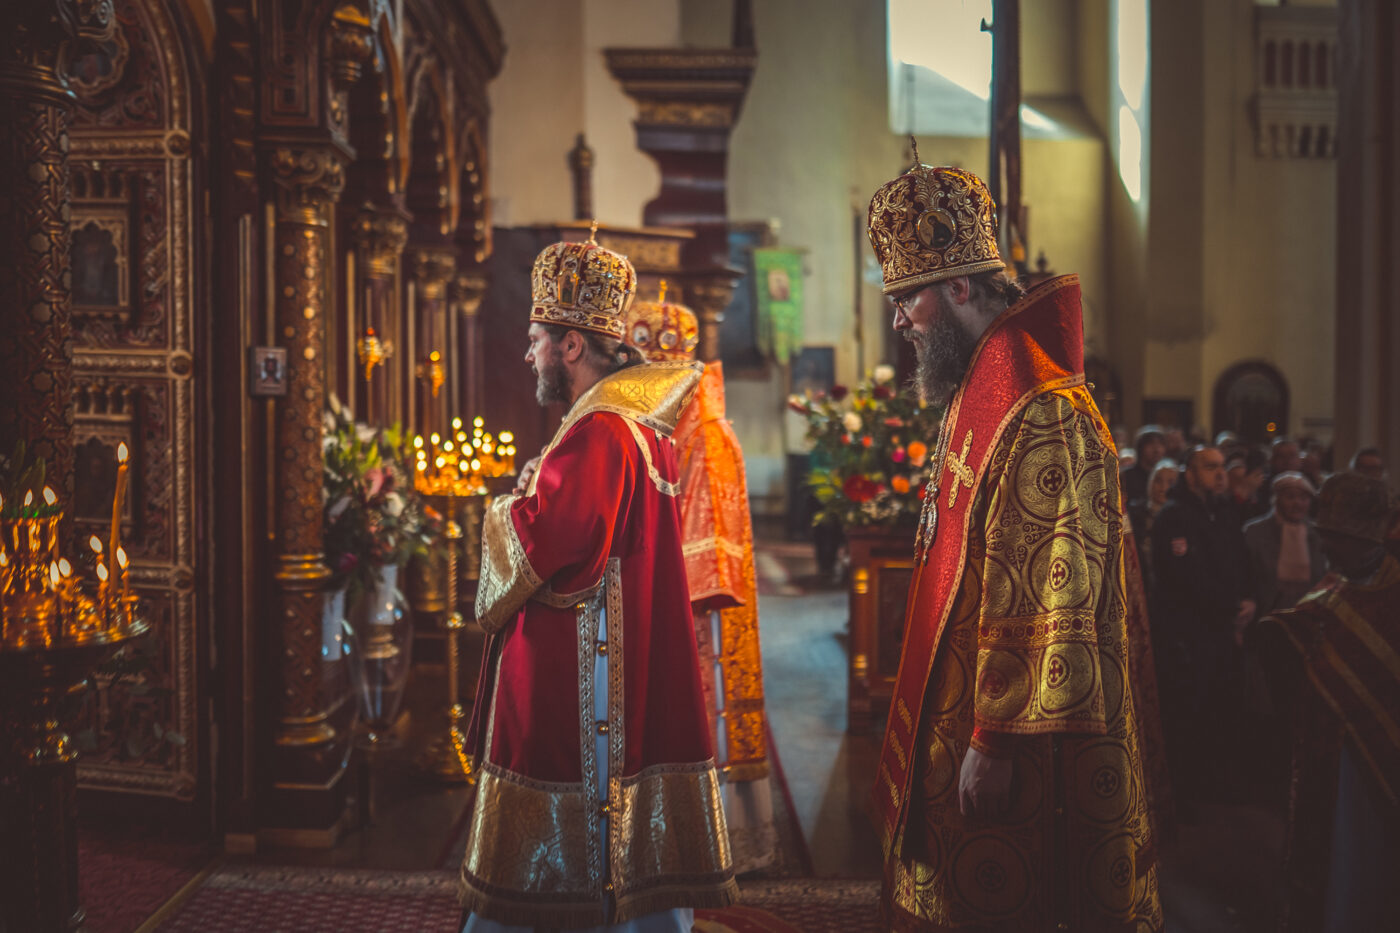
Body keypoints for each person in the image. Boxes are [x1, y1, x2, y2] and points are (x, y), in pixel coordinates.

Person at [866, 158, 1161, 931]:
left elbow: (1046, 585)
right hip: (966, 704)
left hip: (1031, 742)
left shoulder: (1043, 407)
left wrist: (995, 737)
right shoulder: (985, 387)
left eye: (908, 298)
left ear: (959, 288)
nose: (900, 320)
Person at [458, 233, 736, 930]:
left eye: (536, 339)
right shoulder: (634, 425)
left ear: (572, 345)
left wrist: (503, 509)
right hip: (619, 646)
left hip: (582, 671)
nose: (528, 355)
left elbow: (556, 540)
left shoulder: (603, 429)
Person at [624, 291, 777, 873]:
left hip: (699, 611)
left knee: (702, 718)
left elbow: (709, 545)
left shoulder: (704, 431)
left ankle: (711, 845)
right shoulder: (670, 421)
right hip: (671, 600)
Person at [1258, 472, 1400, 933]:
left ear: (1365, 539)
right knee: (1339, 857)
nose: (1329, 548)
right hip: (1334, 760)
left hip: (1377, 759)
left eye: (1337, 539)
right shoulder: (1339, 583)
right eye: (1327, 537)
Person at [1150, 445, 1255, 814]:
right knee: (1190, 715)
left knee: (1223, 711)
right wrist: (1229, 607)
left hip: (1224, 632)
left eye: (1222, 466)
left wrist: (1248, 599)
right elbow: (1184, 579)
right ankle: (1187, 793)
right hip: (1189, 636)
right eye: (1210, 467)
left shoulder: (1226, 512)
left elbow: (1242, 561)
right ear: (1190, 474)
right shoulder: (1173, 517)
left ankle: (1218, 784)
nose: (1220, 473)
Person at [1243, 472, 1325, 617]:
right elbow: (1245, 577)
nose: (1297, 503)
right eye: (1290, 497)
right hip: (1265, 616)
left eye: (1304, 498)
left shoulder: (1318, 535)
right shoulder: (1254, 532)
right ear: (1277, 499)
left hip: (1308, 616)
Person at [1128, 458, 1179, 597]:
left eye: (1171, 482)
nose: (1163, 488)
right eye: (1158, 481)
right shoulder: (1135, 513)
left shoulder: (1181, 517)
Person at [1121, 424, 1167, 506]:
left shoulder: (1169, 476)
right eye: (1150, 444)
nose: (1156, 449)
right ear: (1140, 447)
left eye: (1160, 444)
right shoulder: (1126, 476)